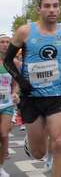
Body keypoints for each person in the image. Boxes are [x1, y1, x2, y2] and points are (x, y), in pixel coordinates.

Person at [4, 0, 61, 177]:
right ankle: (31, 143)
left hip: (58, 96)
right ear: (39, 9)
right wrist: (21, 81)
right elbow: (7, 61)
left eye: (55, 6)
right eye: (47, 6)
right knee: (39, 154)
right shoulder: (25, 32)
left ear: (60, 10)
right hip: (32, 97)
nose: (51, 10)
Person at [0, 34, 16, 177]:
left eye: (7, 42)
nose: (5, 44)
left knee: (4, 135)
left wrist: (16, 92)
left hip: (7, 104)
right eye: (2, 42)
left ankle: (0, 167)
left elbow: (17, 83)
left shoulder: (14, 63)